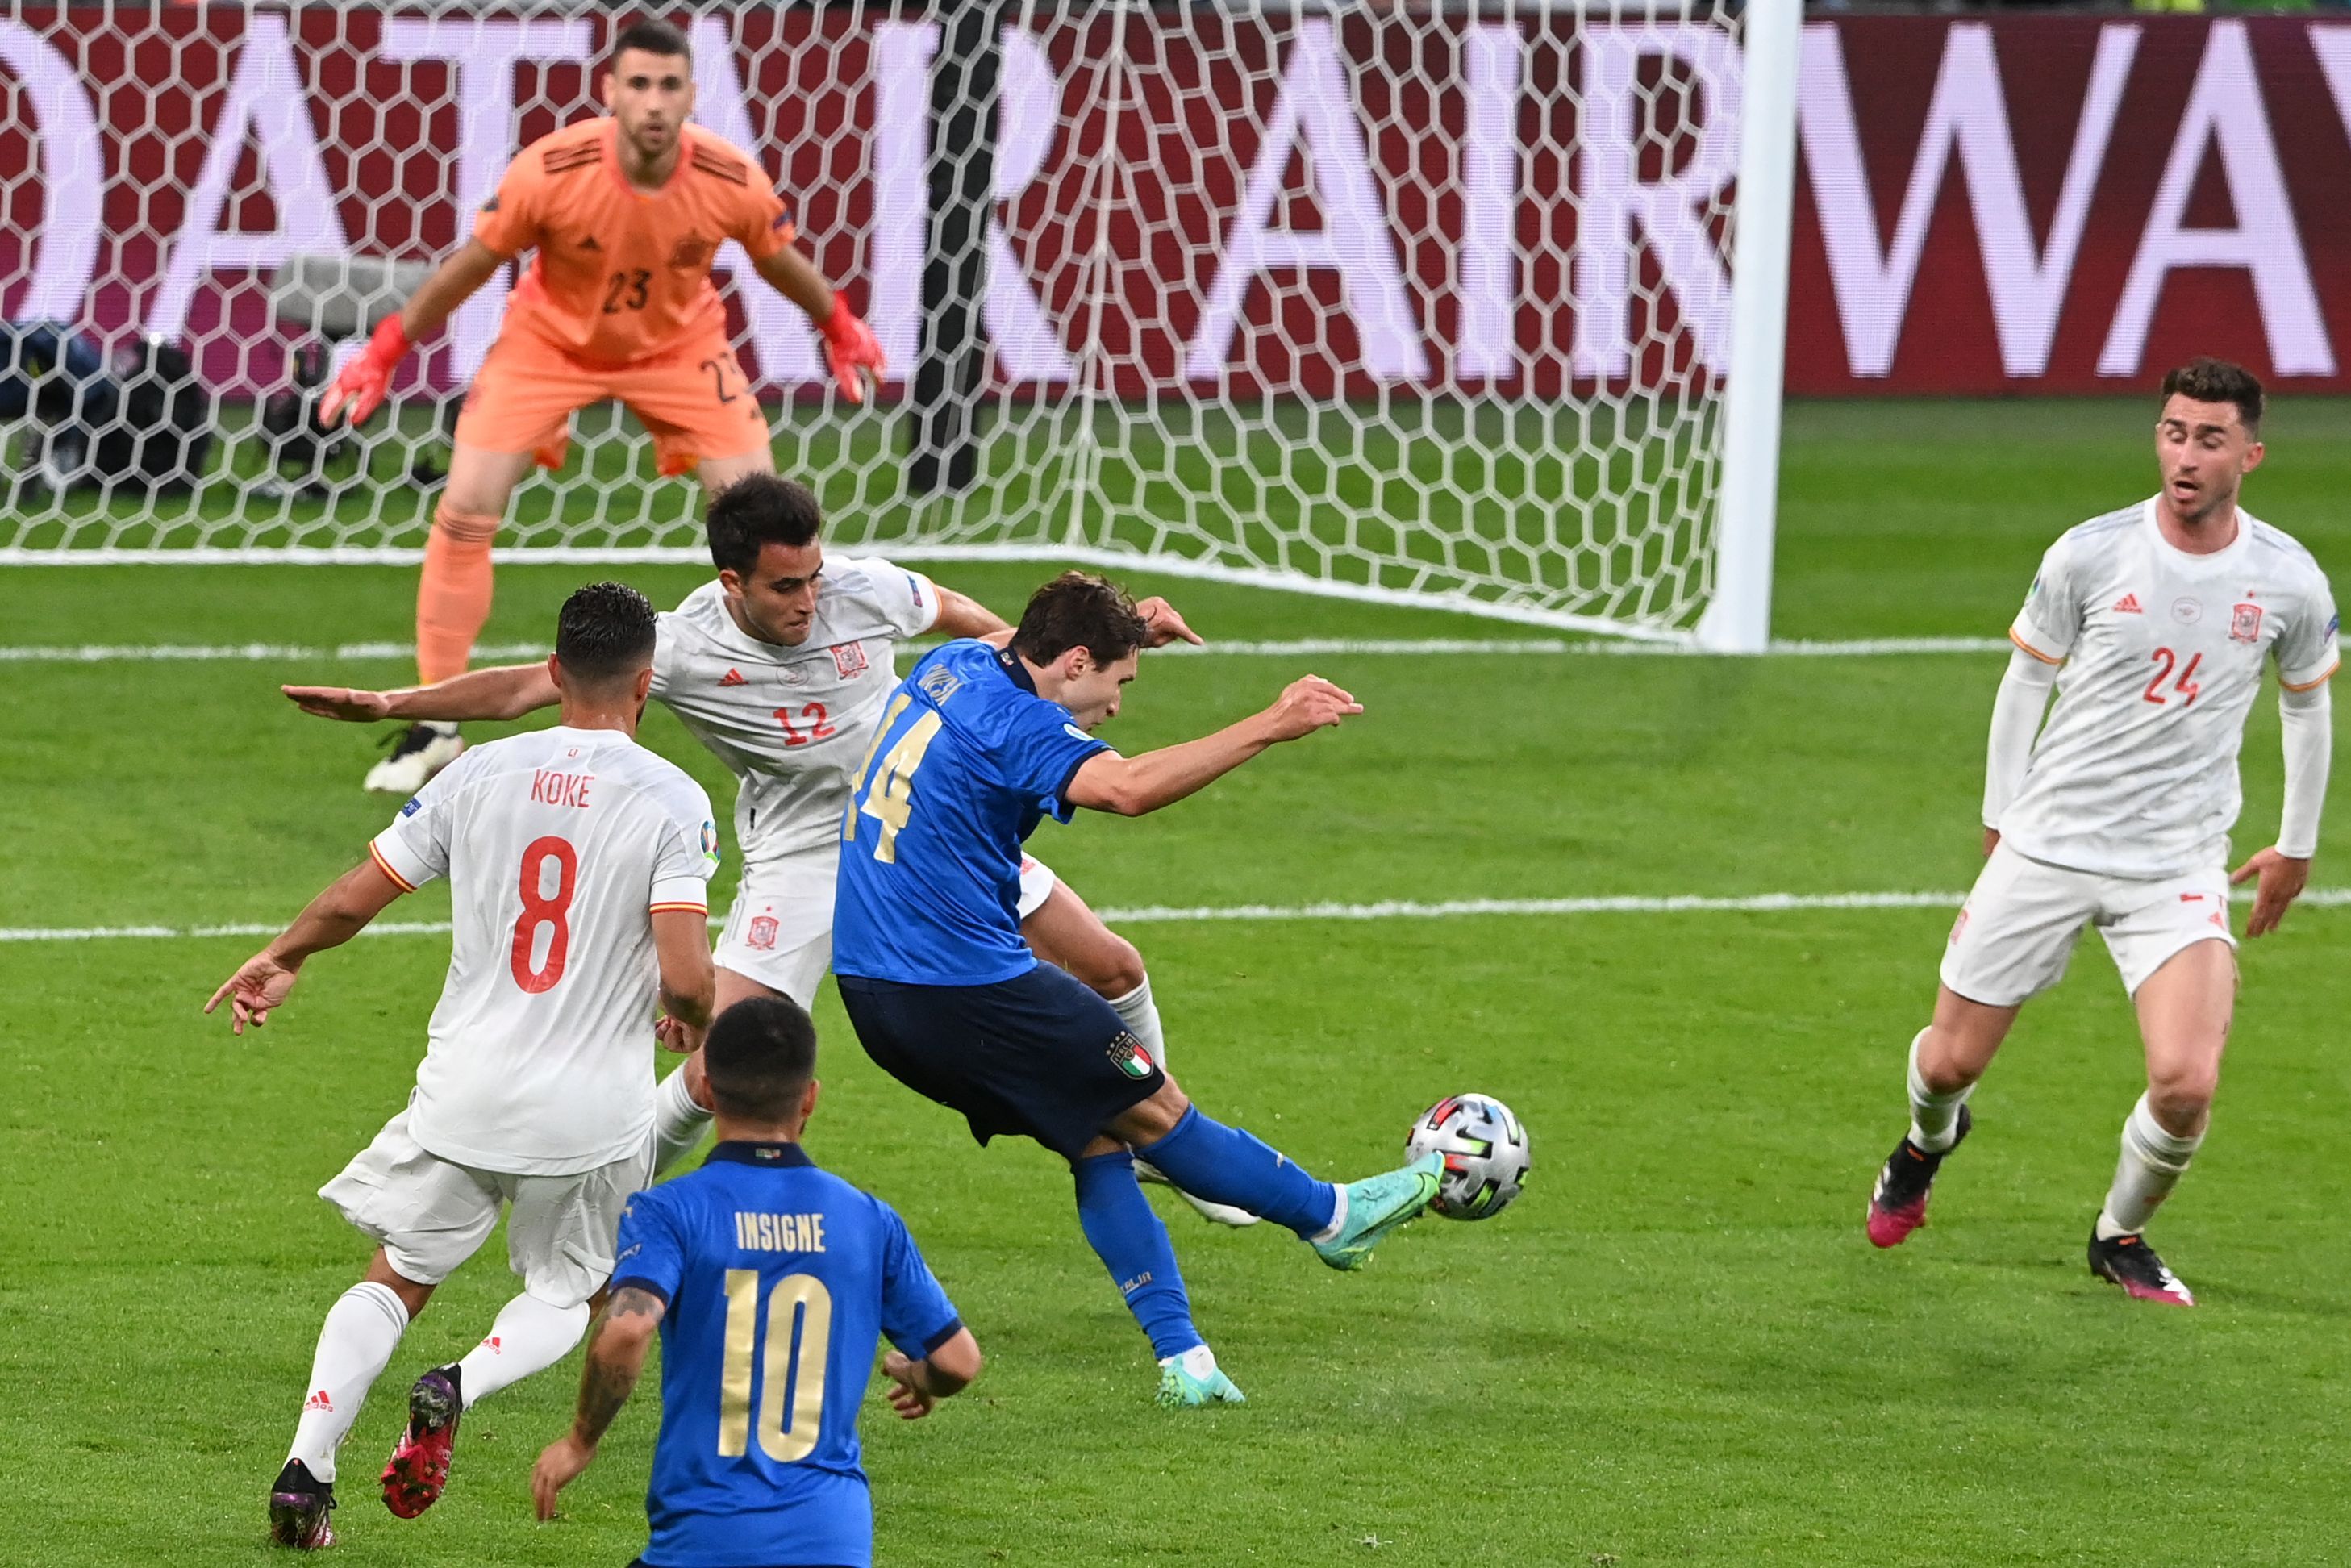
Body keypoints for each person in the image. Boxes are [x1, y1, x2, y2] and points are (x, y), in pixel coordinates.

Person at [282, 476, 1253, 1225]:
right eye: (785, 587)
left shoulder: (860, 592)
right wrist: (393, 705)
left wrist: (1102, 643)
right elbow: (521, 689)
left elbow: (985, 634)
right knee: (718, 1069)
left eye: (813, 577)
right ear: (730, 582)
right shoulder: (683, 645)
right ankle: (608, 1211)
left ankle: (1158, 1142)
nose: (807, 600)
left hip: (916, 827)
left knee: (1113, 965)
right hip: (798, 853)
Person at [832, 571, 1446, 1407]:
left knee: (1096, 1137)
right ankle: (1329, 1214)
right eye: (1117, 681)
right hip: (966, 989)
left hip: (873, 992)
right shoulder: (1019, 723)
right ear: (1075, 660)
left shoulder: (957, 666)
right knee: (1155, 1109)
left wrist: (1126, 628)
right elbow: (1122, 788)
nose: (1116, 705)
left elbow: (1017, 644)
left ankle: (1184, 1360)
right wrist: (1272, 723)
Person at [210, 582, 721, 1548]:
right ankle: (461, 1382)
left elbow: (360, 893)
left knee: (397, 1275)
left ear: (555, 672)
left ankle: (305, 1471)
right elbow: (688, 970)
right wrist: (687, 1016)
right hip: (589, 1112)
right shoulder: (671, 799)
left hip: (463, 1089)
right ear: (646, 682)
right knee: (568, 1291)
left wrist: (283, 957)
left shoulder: (478, 771)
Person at [1865, 357, 2337, 1306]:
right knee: (1949, 1061)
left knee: (2184, 1083)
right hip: (2049, 844)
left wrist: (2294, 843)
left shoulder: (2285, 580)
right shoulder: (2090, 552)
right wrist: (2000, 821)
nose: (2185, 455)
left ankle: (2117, 1235)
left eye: (2208, 439)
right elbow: (2024, 680)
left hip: (2174, 864)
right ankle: (1923, 1143)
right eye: (2172, 432)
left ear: (2249, 452)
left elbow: (2304, 707)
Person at [318, 19, 886, 794]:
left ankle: (792, 697)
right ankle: (436, 726)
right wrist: (386, 347)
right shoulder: (552, 170)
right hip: (548, 346)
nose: (654, 102)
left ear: (690, 94)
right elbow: (473, 265)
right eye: (639, 84)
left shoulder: (726, 175)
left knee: (768, 526)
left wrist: (839, 325)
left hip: (680, 350)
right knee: (465, 508)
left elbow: (774, 257)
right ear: (610, 92)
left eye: (669, 85)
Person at [530, 996, 982, 1568]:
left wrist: (579, 1441)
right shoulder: (867, 1220)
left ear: (710, 1091)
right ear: (809, 1098)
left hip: (707, 1540)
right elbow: (958, 1362)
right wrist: (916, 1373)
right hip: (833, 1539)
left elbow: (626, 1331)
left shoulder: (669, 1211)